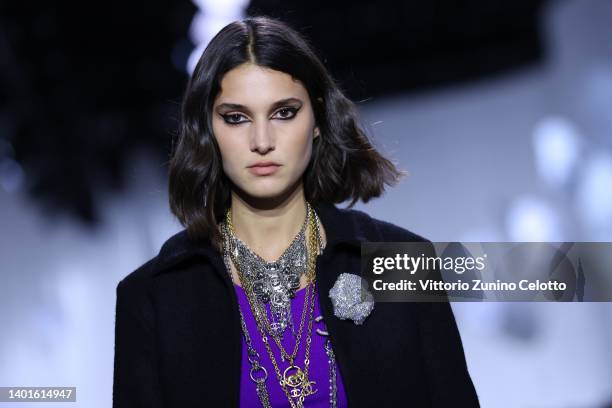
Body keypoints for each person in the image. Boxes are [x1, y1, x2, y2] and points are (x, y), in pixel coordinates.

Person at [113, 15, 479, 408]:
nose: (262, 141)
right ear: (207, 129)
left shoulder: (404, 263)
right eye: (236, 118)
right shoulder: (153, 297)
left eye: (284, 112)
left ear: (317, 119)